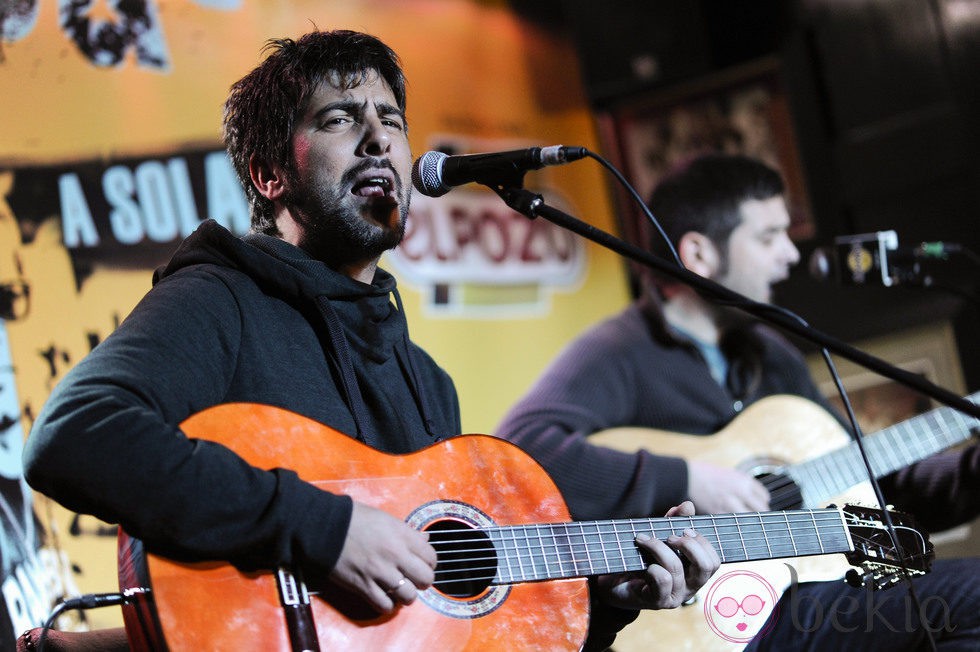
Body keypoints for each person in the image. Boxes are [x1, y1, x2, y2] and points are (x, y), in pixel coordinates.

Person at [20, 29, 719, 650]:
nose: (379, 137)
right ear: (270, 175)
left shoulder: (425, 380)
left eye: (391, 119)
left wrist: (607, 604)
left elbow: (449, 628)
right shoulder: (218, 300)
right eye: (339, 119)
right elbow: (75, 436)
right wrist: (324, 529)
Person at [495, 153, 980, 649]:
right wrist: (686, 478)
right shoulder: (616, 352)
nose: (790, 255)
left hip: (805, 596)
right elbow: (519, 451)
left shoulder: (773, 355)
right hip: (701, 623)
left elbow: (876, 486)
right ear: (700, 254)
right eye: (769, 237)